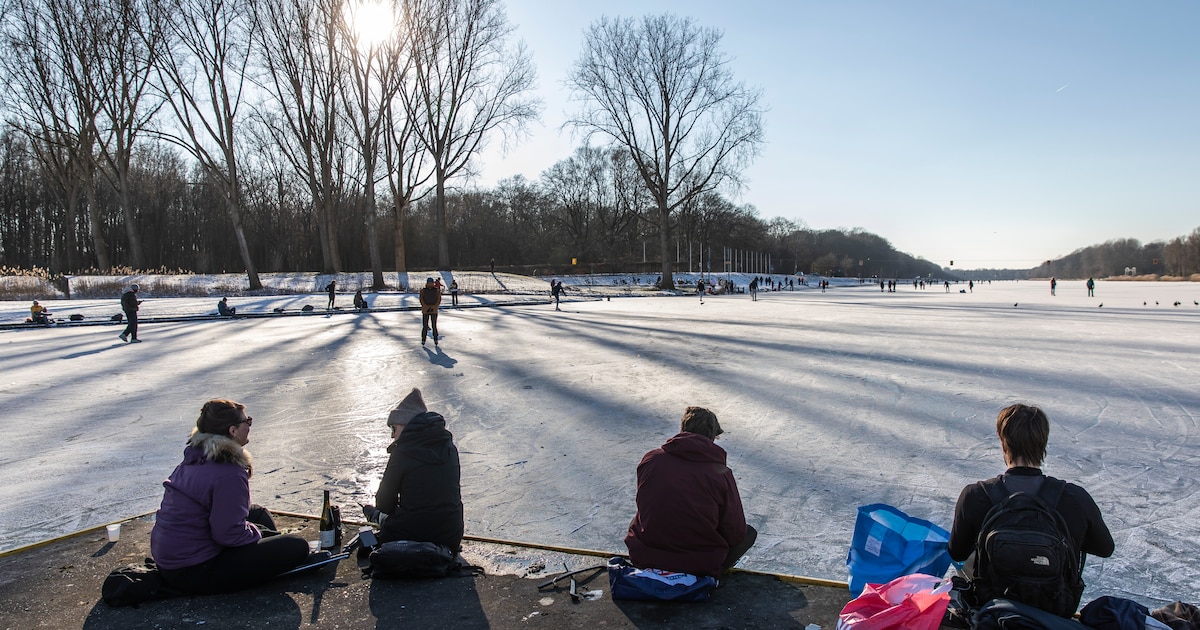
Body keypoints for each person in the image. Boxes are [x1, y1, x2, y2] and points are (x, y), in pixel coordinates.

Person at [948, 403, 1114, 615]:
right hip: (1055, 609)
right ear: (1043, 443)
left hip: (993, 606)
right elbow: (1105, 548)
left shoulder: (975, 495)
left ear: (1003, 443)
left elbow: (957, 551)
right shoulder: (1074, 498)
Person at [150, 399, 310, 595]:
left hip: (172, 558)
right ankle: (267, 562)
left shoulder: (198, 455)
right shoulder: (228, 473)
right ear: (233, 431)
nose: (250, 426)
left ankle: (265, 558)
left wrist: (255, 531)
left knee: (258, 513)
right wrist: (257, 534)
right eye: (247, 422)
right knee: (297, 547)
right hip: (193, 569)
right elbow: (227, 534)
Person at [624, 407, 757, 579]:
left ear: (683, 430)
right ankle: (712, 576)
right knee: (748, 533)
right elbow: (735, 532)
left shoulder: (652, 460)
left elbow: (646, 503)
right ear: (712, 437)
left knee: (641, 518)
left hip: (645, 557)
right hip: (697, 565)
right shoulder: (719, 473)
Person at [362, 388, 464, 551]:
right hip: (451, 535)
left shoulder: (403, 452)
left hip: (412, 535)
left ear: (405, 425)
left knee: (381, 521)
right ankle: (376, 516)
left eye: (393, 428)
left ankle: (375, 517)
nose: (392, 436)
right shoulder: (449, 447)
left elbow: (385, 503)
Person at [419, 277, 441, 346]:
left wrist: (426, 307)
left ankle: (423, 339)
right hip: (434, 311)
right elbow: (439, 300)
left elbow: (421, 300)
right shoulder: (437, 290)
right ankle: (436, 339)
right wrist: (433, 307)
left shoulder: (423, 290)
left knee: (425, 326)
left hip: (425, 310)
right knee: (434, 326)